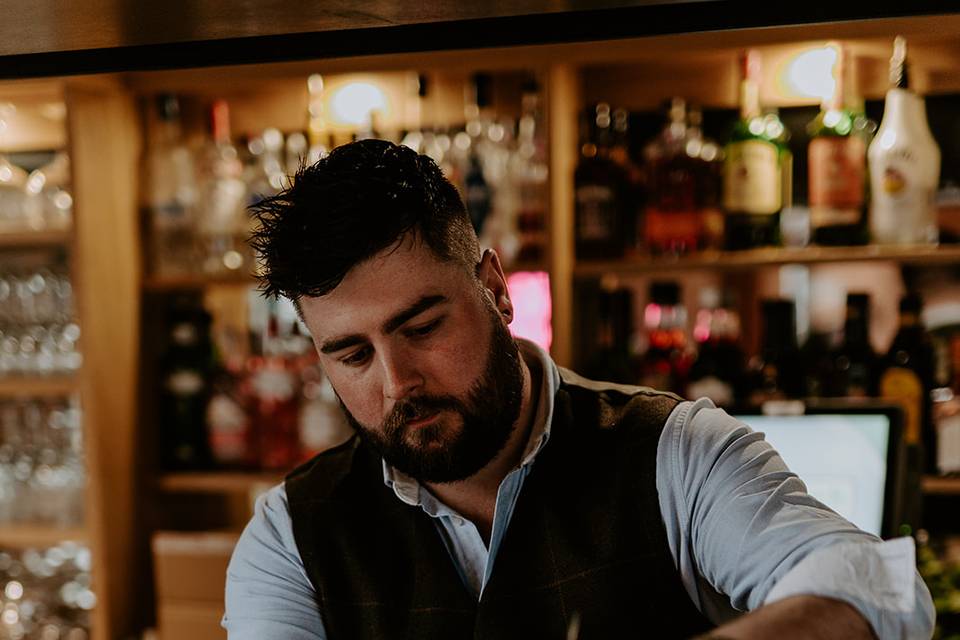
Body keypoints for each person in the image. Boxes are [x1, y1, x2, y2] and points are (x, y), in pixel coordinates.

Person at [223, 139, 933, 639]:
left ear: (495, 289)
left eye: (422, 327)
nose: (397, 382)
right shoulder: (292, 535)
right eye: (351, 354)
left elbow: (867, 584)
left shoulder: (676, 455)